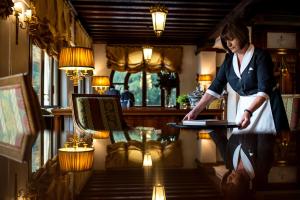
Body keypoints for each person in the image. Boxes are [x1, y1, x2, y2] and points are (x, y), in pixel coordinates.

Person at [183, 19, 289, 198]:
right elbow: (215, 87)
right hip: (245, 109)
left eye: (231, 39)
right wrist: (196, 111)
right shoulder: (229, 58)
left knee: (264, 141)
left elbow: (264, 90)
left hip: (265, 108)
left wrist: (248, 111)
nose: (228, 43)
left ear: (242, 36)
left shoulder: (260, 56)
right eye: (226, 40)